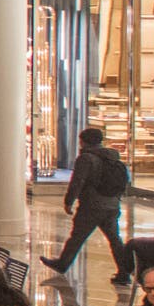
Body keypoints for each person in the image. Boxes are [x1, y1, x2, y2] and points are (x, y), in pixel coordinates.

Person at [44, 123, 135, 295]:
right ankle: (124, 272)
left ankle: (63, 264)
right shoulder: (113, 157)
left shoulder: (86, 158)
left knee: (77, 237)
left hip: (92, 206)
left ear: (83, 142)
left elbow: (77, 182)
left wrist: (68, 201)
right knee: (115, 239)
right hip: (111, 205)